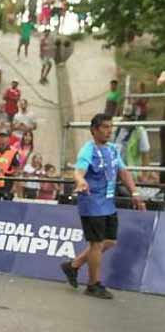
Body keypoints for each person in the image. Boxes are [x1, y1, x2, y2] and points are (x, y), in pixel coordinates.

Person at [60, 114, 145, 299]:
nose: (109, 131)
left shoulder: (113, 149)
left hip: (108, 203)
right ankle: (93, 285)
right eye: (105, 127)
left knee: (110, 241)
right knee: (96, 244)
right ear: (94, 130)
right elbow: (78, 171)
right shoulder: (87, 150)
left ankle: (73, 265)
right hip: (91, 203)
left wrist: (135, 193)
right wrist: (81, 181)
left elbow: (123, 171)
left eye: (110, 127)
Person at [0, 130, 20, 200]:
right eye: (0, 136)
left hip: (7, 184)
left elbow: (17, 168)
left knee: (6, 204)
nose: (2, 138)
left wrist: (14, 185)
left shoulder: (14, 151)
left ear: (8, 138)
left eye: (4, 136)